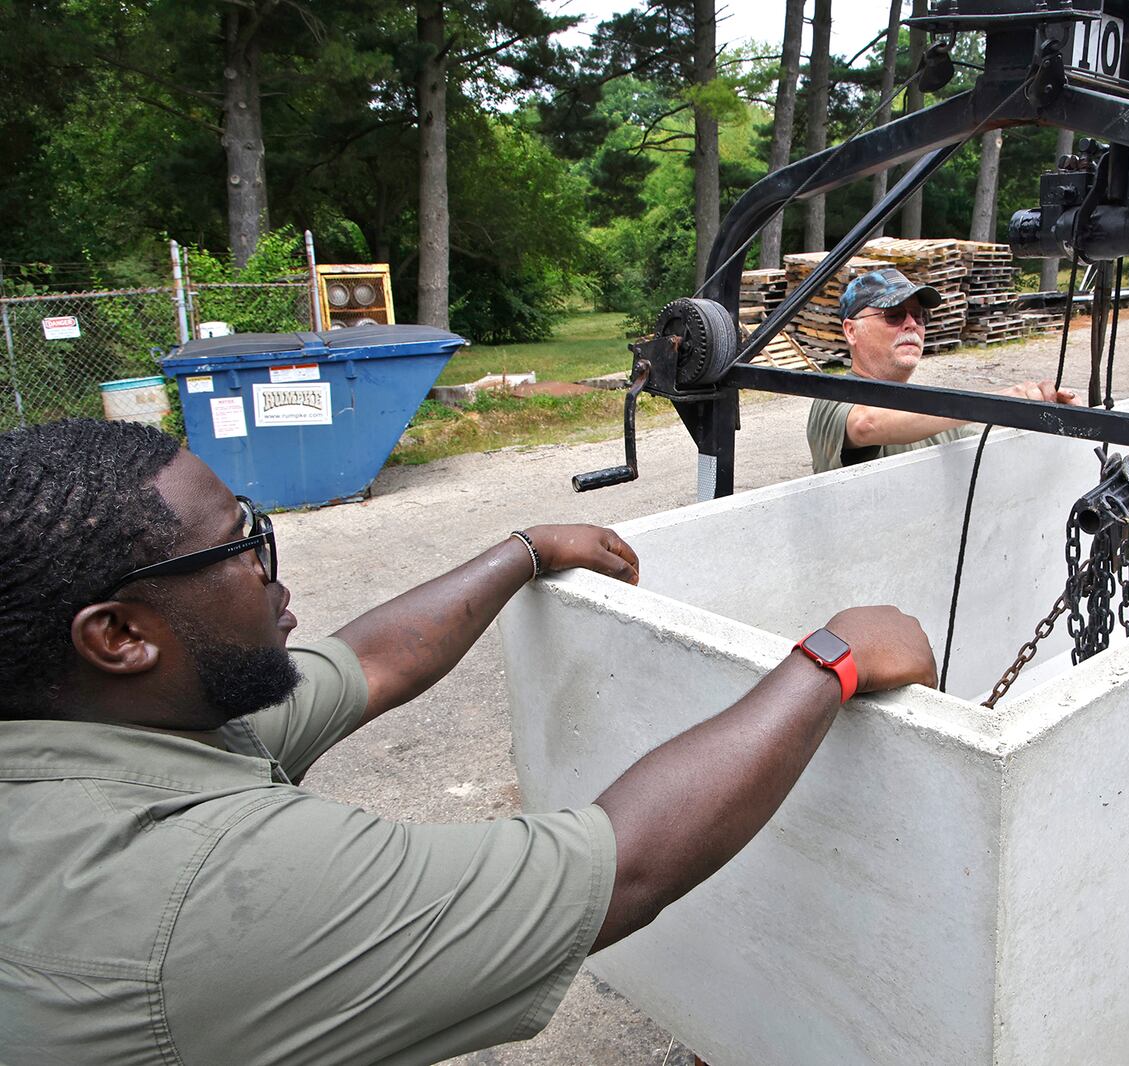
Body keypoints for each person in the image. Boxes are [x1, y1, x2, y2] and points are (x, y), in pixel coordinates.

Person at [0, 418, 937, 1065]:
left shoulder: (118, 721)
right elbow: (630, 863)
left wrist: (523, 550)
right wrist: (830, 659)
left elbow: (369, 663)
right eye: (241, 547)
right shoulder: (205, 889)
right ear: (118, 636)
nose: (267, 567)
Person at [807, 267, 1080, 473]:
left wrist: (1049, 416)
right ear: (851, 330)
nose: (911, 324)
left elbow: (983, 442)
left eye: (919, 316)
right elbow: (866, 425)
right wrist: (999, 400)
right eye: (894, 315)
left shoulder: (933, 410)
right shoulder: (832, 400)